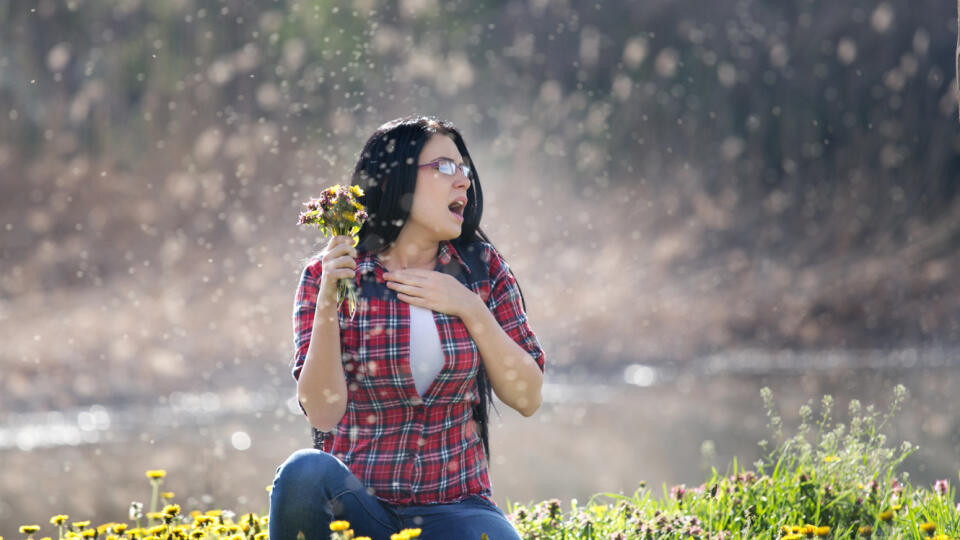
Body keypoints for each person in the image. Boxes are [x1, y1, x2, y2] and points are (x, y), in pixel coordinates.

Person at [269, 116, 546, 540]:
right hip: (360, 509)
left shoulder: (482, 269)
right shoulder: (333, 275)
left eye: (465, 169)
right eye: (445, 167)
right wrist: (329, 296)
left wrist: (471, 308)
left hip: (456, 510)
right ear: (397, 177)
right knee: (304, 473)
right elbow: (323, 412)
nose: (464, 183)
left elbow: (527, 397)